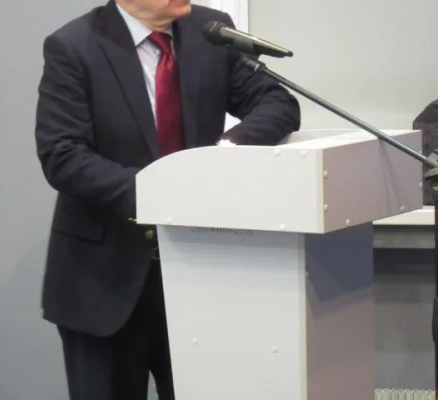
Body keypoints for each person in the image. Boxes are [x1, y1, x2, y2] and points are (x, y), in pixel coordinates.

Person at [34, 0, 300, 399]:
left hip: (201, 274)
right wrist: (161, 192)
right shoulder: (73, 46)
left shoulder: (211, 30)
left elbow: (277, 103)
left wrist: (226, 150)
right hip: (106, 281)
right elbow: (62, 154)